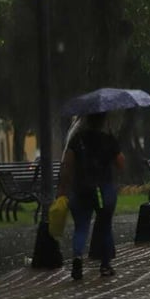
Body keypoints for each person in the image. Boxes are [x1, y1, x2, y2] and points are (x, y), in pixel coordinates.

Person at [57, 112, 125, 280]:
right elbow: (121, 164)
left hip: (80, 189)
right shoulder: (108, 139)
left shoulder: (77, 140)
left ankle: (78, 258)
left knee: (81, 227)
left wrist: (63, 189)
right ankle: (105, 265)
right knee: (105, 226)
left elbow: (67, 165)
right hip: (103, 190)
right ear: (103, 121)